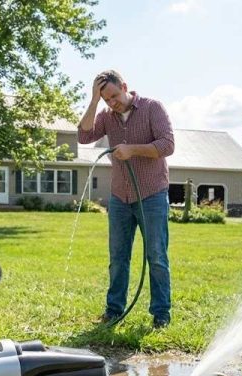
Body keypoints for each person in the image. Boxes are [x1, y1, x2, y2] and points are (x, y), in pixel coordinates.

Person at [77, 70, 175, 329]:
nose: (113, 103)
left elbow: (167, 145)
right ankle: (114, 310)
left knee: (156, 255)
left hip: (152, 194)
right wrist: (94, 101)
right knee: (118, 257)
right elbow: (83, 136)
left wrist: (132, 149)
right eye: (106, 99)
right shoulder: (106, 115)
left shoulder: (153, 108)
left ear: (124, 86)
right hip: (120, 197)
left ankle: (161, 314)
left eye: (113, 96)